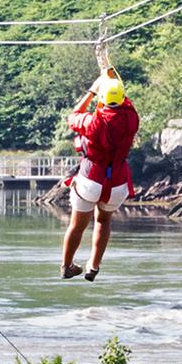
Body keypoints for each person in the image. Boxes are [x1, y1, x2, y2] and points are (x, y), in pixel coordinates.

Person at [60, 68, 139, 280]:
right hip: (117, 183)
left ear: (102, 99)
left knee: (77, 225)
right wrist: (112, 79)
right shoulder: (131, 119)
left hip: (91, 179)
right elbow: (125, 102)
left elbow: (73, 116)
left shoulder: (93, 123)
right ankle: (93, 266)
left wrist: (92, 91)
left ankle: (67, 266)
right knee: (104, 221)